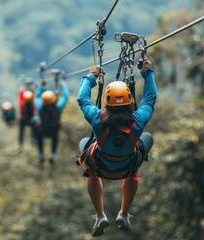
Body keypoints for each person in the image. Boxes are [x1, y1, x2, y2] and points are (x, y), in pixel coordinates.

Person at [76, 59, 156, 237]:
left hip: (101, 166)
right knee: (146, 140)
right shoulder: (138, 120)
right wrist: (147, 73)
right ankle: (124, 213)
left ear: (107, 101)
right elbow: (150, 100)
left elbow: (82, 99)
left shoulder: (97, 119)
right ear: (129, 101)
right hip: (126, 167)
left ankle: (99, 215)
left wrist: (91, 78)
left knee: (86, 149)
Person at [32, 81, 69, 170]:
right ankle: (52, 154)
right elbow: (65, 97)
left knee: (37, 128)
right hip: (53, 132)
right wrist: (63, 86)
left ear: (43, 100)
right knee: (55, 136)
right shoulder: (58, 107)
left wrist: (41, 87)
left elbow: (36, 97)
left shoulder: (40, 107)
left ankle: (41, 154)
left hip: (42, 131)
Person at [17, 78, 37, 152]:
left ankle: (32, 140)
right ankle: (21, 144)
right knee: (24, 128)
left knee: (34, 127)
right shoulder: (25, 93)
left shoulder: (31, 92)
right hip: (26, 115)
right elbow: (20, 102)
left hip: (28, 115)